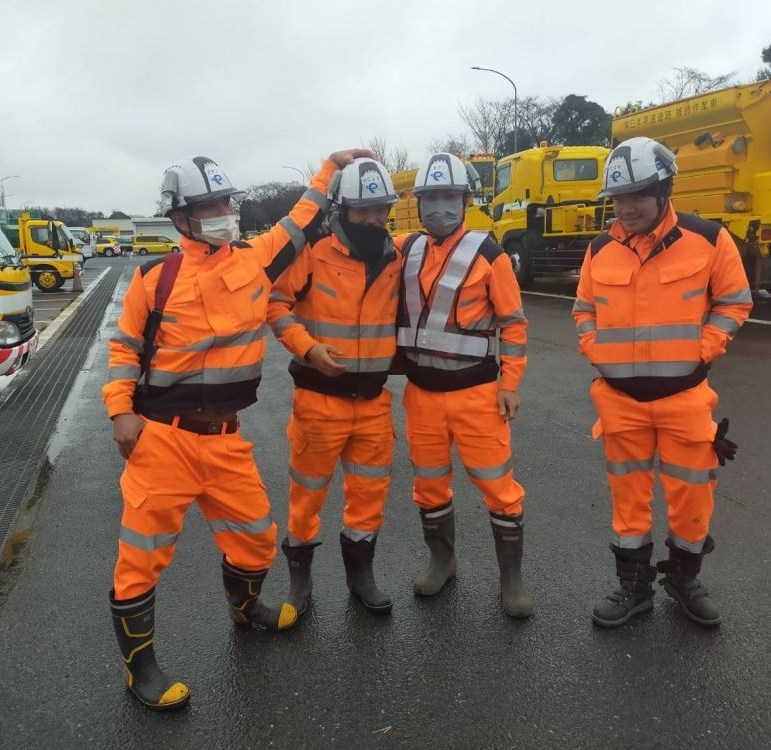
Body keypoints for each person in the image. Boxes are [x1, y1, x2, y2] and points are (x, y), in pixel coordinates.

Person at [103, 148, 372, 710]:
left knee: (255, 538)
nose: (226, 213)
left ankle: (246, 610)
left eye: (228, 202)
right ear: (181, 218)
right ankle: (140, 668)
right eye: (211, 206)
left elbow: (300, 218)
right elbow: (125, 347)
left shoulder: (254, 259)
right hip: (162, 439)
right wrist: (120, 410)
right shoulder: (155, 278)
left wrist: (329, 167)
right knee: (142, 558)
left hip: (226, 438)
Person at [573, 136, 752, 629]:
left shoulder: (709, 239)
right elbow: (584, 310)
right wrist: (595, 349)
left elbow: (735, 300)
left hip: (685, 399)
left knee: (693, 496)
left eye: (636, 196)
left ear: (664, 190)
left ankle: (683, 579)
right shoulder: (599, 250)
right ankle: (634, 587)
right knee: (628, 501)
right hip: (619, 402)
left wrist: (704, 348)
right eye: (617, 198)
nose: (625, 208)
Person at [395, 152, 533, 619]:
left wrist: (510, 383)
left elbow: (513, 324)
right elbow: (361, 240)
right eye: (430, 197)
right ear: (417, 203)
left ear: (466, 201)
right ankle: (443, 561)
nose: (439, 207)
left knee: (499, 487)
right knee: (429, 485)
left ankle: (511, 579)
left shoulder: (490, 255)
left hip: (477, 396)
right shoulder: (407, 249)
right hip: (422, 397)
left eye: (449, 197)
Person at [267, 158, 401, 616]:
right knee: (306, 496)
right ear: (341, 209)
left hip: (374, 405)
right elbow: (276, 305)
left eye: (381, 209)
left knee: (369, 497)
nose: (374, 219)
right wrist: (307, 349)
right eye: (364, 210)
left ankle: (361, 577)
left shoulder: (395, 257)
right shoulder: (313, 253)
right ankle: (300, 583)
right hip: (319, 403)